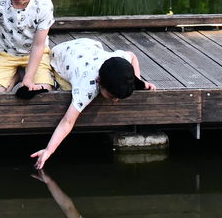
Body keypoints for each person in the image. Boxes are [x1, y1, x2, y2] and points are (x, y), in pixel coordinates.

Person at [26, 37, 155, 169]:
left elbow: (132, 56)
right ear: (99, 81)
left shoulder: (118, 61)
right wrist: (48, 150)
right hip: (59, 57)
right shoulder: (86, 87)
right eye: (112, 96)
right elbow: (68, 121)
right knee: (66, 89)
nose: (115, 101)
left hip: (85, 47)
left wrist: (139, 80)